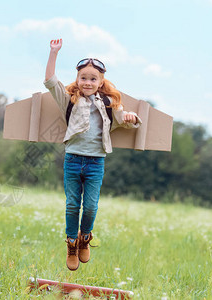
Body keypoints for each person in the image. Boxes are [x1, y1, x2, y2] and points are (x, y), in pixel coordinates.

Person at [44, 38, 141, 271]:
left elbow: (124, 120)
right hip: (73, 160)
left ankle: (85, 237)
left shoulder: (109, 103)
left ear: (100, 82)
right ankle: (71, 243)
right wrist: (54, 52)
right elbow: (49, 81)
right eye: (83, 78)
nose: (87, 82)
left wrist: (131, 117)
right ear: (77, 80)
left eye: (93, 78)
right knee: (71, 205)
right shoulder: (70, 100)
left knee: (90, 207)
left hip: (96, 162)